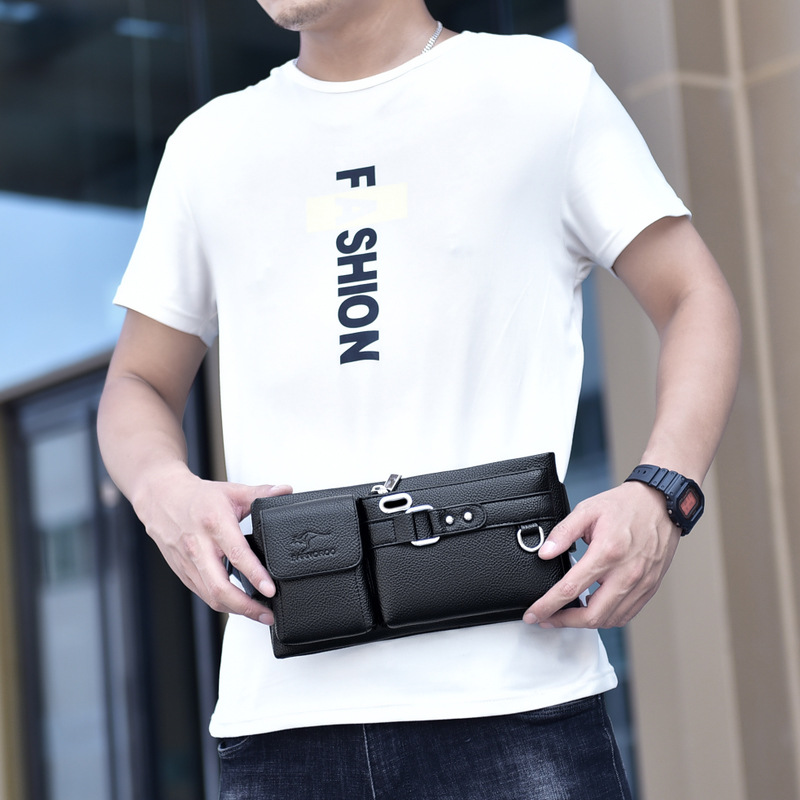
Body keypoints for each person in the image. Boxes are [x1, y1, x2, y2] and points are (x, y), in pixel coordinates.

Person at [97, 1, 741, 797]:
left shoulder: (541, 89)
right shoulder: (209, 147)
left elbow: (693, 297)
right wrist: (161, 490)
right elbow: (138, 380)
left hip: (515, 703)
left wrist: (663, 491)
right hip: (281, 726)